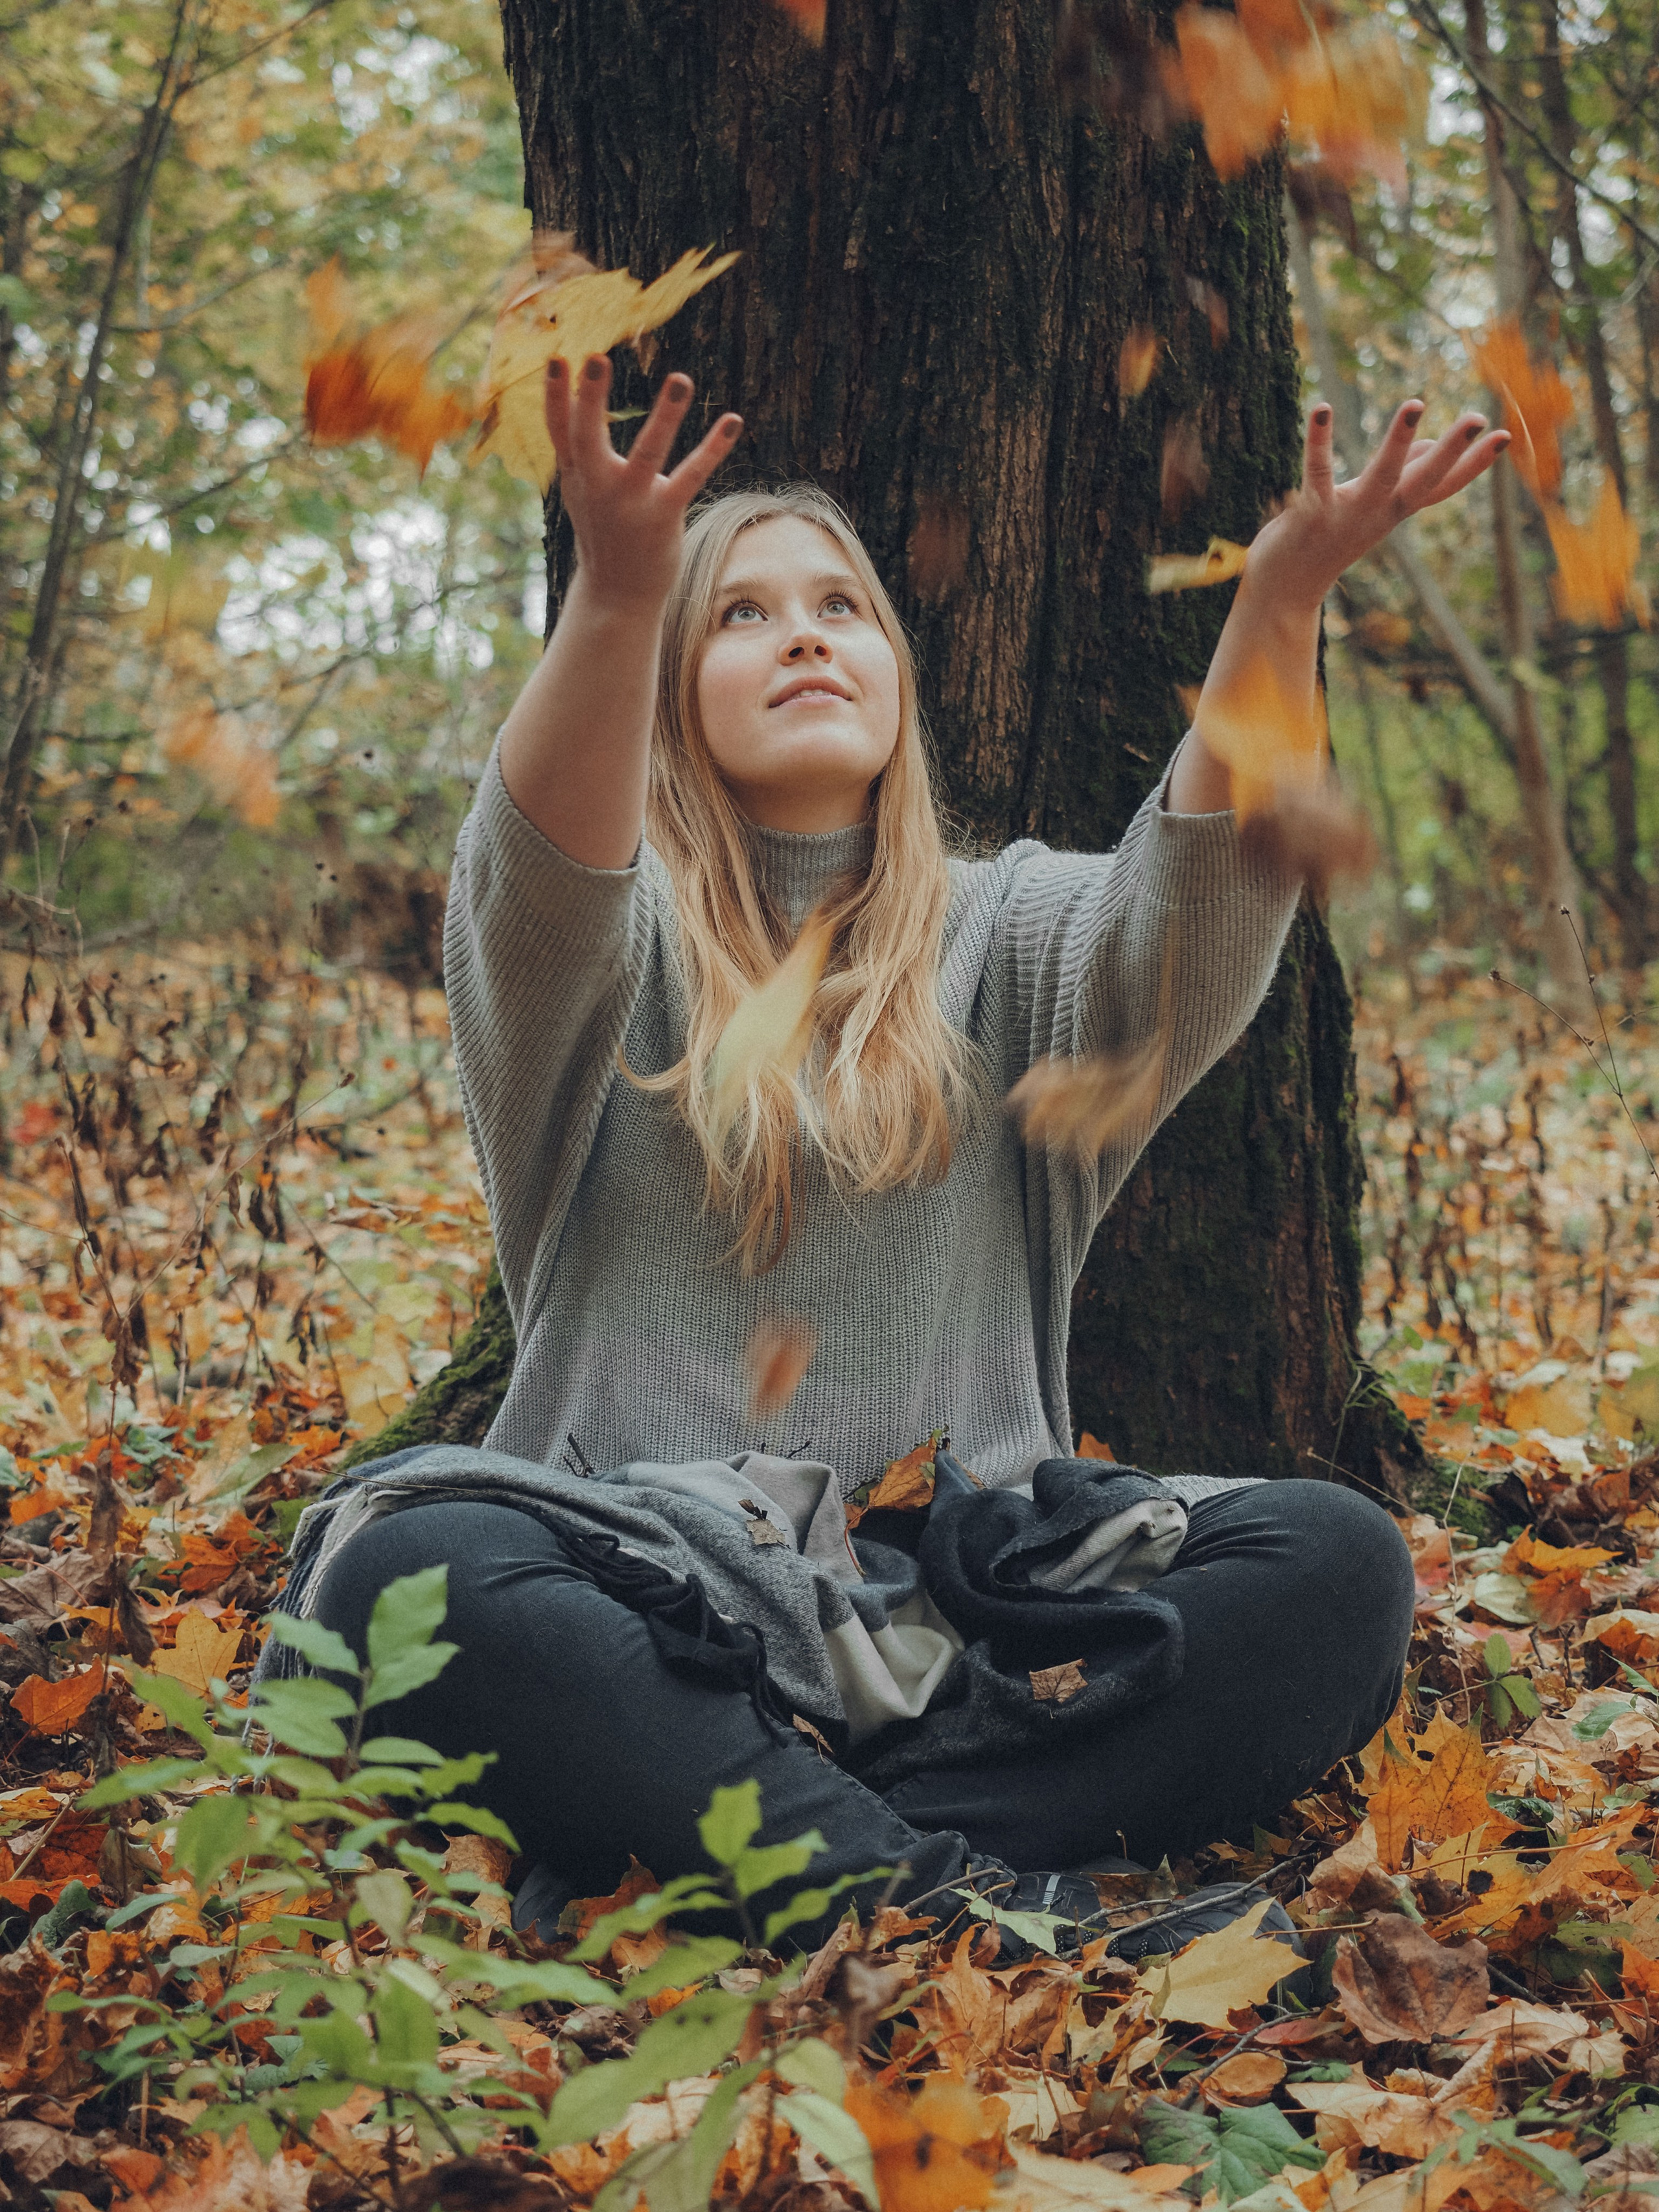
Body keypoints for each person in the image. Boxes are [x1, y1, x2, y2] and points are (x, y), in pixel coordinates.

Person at [288, 354, 1507, 1953]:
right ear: (672, 692)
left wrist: (1278, 599)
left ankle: (768, 1845)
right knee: (414, 1572)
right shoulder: (611, 950)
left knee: (1335, 1564)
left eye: (839, 606)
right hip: (641, 1586)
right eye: (737, 615)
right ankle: (954, 1904)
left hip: (968, 1610)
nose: (800, 630)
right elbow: (540, 869)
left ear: (896, 671)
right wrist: (617, 591)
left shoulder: (1011, 932)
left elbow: (1193, 918)